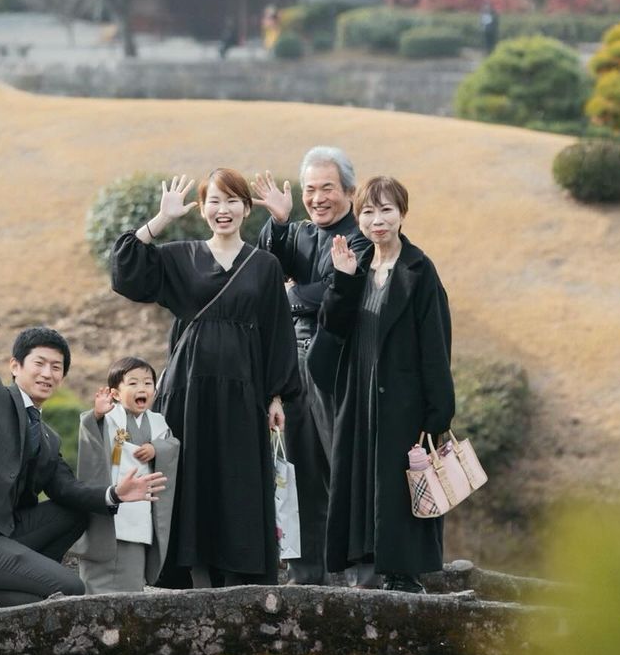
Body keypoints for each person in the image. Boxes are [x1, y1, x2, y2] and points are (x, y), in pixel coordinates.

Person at [111, 170, 301, 588]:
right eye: (214, 201)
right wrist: (161, 220)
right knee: (185, 475)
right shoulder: (181, 256)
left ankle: (240, 576)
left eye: (232, 201)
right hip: (188, 387)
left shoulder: (264, 265)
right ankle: (178, 574)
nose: (223, 210)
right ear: (202, 209)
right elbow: (125, 271)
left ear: (247, 209)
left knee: (238, 478)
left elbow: (277, 331)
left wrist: (276, 396)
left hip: (244, 390)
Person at [0, 309, 166, 613]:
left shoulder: (48, 438)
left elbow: (67, 489)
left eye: (56, 367)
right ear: (15, 366)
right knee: (71, 589)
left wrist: (115, 494)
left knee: (75, 512)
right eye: (39, 363)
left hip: (6, 537)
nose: (48, 373)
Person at [320, 176, 455, 592]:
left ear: (402, 214)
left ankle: (404, 574)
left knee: (401, 485)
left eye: (386, 210)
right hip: (359, 394)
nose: (377, 220)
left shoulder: (419, 270)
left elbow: (436, 344)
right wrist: (343, 281)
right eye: (368, 212)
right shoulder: (356, 265)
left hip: (402, 400)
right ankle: (368, 561)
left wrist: (438, 413)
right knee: (361, 477)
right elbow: (332, 329)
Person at [253, 148, 369, 584]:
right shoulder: (298, 232)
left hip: (337, 365)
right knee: (298, 472)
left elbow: (339, 291)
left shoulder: (361, 236)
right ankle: (306, 576)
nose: (318, 198)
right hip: (290, 364)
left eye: (328, 188)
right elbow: (265, 270)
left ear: (350, 192)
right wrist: (279, 222)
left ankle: (358, 574)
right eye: (310, 189)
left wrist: (291, 294)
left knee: (343, 469)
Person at [70, 356, 180, 594]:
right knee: (97, 578)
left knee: (131, 581)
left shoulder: (158, 423)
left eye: (148, 383)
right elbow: (91, 433)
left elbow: (172, 446)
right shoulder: (109, 418)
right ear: (116, 393)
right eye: (133, 383)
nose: (142, 388)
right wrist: (96, 415)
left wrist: (156, 449)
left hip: (139, 510)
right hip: (111, 505)